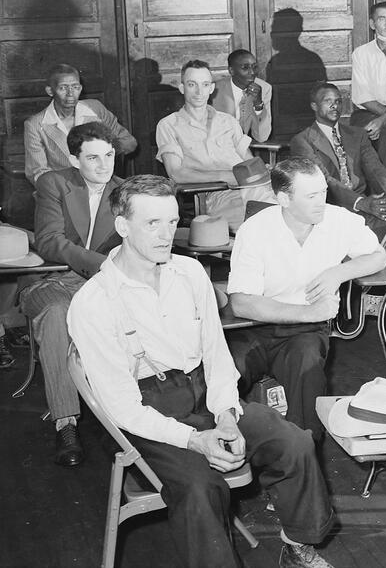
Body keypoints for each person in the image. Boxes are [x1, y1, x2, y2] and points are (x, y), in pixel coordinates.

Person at [68, 175, 338, 568]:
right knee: (200, 487)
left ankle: (298, 542)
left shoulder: (191, 273)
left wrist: (227, 413)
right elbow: (123, 410)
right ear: (122, 226)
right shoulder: (93, 304)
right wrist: (194, 441)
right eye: (152, 223)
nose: (166, 235)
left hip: (206, 393)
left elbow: (215, 353)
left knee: (295, 442)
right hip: (150, 414)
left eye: (172, 221)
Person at [227, 157, 386, 442]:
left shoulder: (338, 220)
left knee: (308, 373)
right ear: (283, 199)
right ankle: (235, 449)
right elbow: (242, 303)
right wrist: (312, 312)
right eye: (311, 195)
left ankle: (304, 452)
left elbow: (378, 256)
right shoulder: (255, 230)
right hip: (253, 326)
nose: (321, 202)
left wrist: (339, 271)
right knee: (224, 379)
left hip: (305, 334)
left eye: (323, 192)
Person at [20, 121, 123, 466]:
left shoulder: (126, 191)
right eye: (92, 158)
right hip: (49, 281)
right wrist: (104, 265)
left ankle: (131, 412)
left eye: (108, 155)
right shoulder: (54, 183)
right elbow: (49, 242)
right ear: (74, 159)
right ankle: (66, 423)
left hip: (101, 285)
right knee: (58, 313)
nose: (103, 165)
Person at [155, 59, 274, 230]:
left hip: (252, 187)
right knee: (265, 222)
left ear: (211, 88)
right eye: (191, 84)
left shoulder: (228, 121)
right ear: (182, 88)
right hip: (214, 196)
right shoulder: (168, 125)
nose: (199, 92)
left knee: (292, 207)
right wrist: (226, 176)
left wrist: (264, 172)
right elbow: (176, 173)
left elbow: (249, 163)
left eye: (204, 85)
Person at [290, 82, 386, 220]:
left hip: (364, 207)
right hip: (327, 209)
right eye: (328, 101)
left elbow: (376, 168)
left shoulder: (358, 134)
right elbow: (324, 179)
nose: (335, 106)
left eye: (338, 101)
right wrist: (361, 203)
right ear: (314, 106)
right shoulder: (302, 141)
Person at [24, 63, 137, 186]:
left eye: (75, 87)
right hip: (63, 191)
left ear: (81, 88)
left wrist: (100, 155)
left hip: (103, 185)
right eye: (63, 88)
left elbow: (129, 142)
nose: (70, 93)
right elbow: (38, 173)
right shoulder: (35, 125)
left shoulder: (95, 109)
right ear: (50, 91)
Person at [349, 1, 386, 181]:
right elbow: (362, 96)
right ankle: (362, 192)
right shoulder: (361, 53)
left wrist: (384, 120)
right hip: (368, 112)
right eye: (382, 19)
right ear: (373, 24)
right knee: (364, 132)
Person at [211, 49, 272, 144]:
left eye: (254, 67)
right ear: (231, 71)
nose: (252, 72)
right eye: (245, 68)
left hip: (246, 148)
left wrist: (258, 104)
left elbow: (262, 137)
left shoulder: (264, 88)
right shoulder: (215, 90)